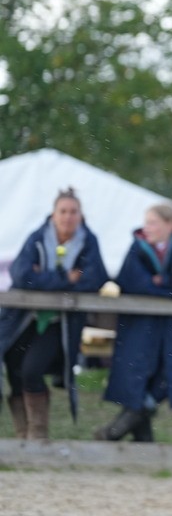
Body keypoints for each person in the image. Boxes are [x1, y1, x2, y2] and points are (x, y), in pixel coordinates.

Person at [0, 188, 108, 440]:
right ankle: (22, 435)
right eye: (63, 211)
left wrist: (43, 278)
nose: (68, 217)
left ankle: (38, 435)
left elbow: (95, 279)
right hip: (23, 318)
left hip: (59, 322)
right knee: (14, 369)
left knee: (32, 370)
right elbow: (21, 275)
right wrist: (65, 279)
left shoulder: (88, 242)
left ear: (80, 215)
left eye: (73, 212)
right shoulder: (38, 237)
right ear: (53, 214)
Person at [96, 202, 172, 442]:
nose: (147, 227)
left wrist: (164, 282)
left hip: (171, 329)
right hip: (140, 326)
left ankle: (116, 431)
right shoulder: (138, 248)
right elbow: (134, 283)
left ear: (170, 225)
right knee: (138, 376)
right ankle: (140, 443)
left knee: (166, 378)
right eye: (146, 222)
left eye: (153, 222)